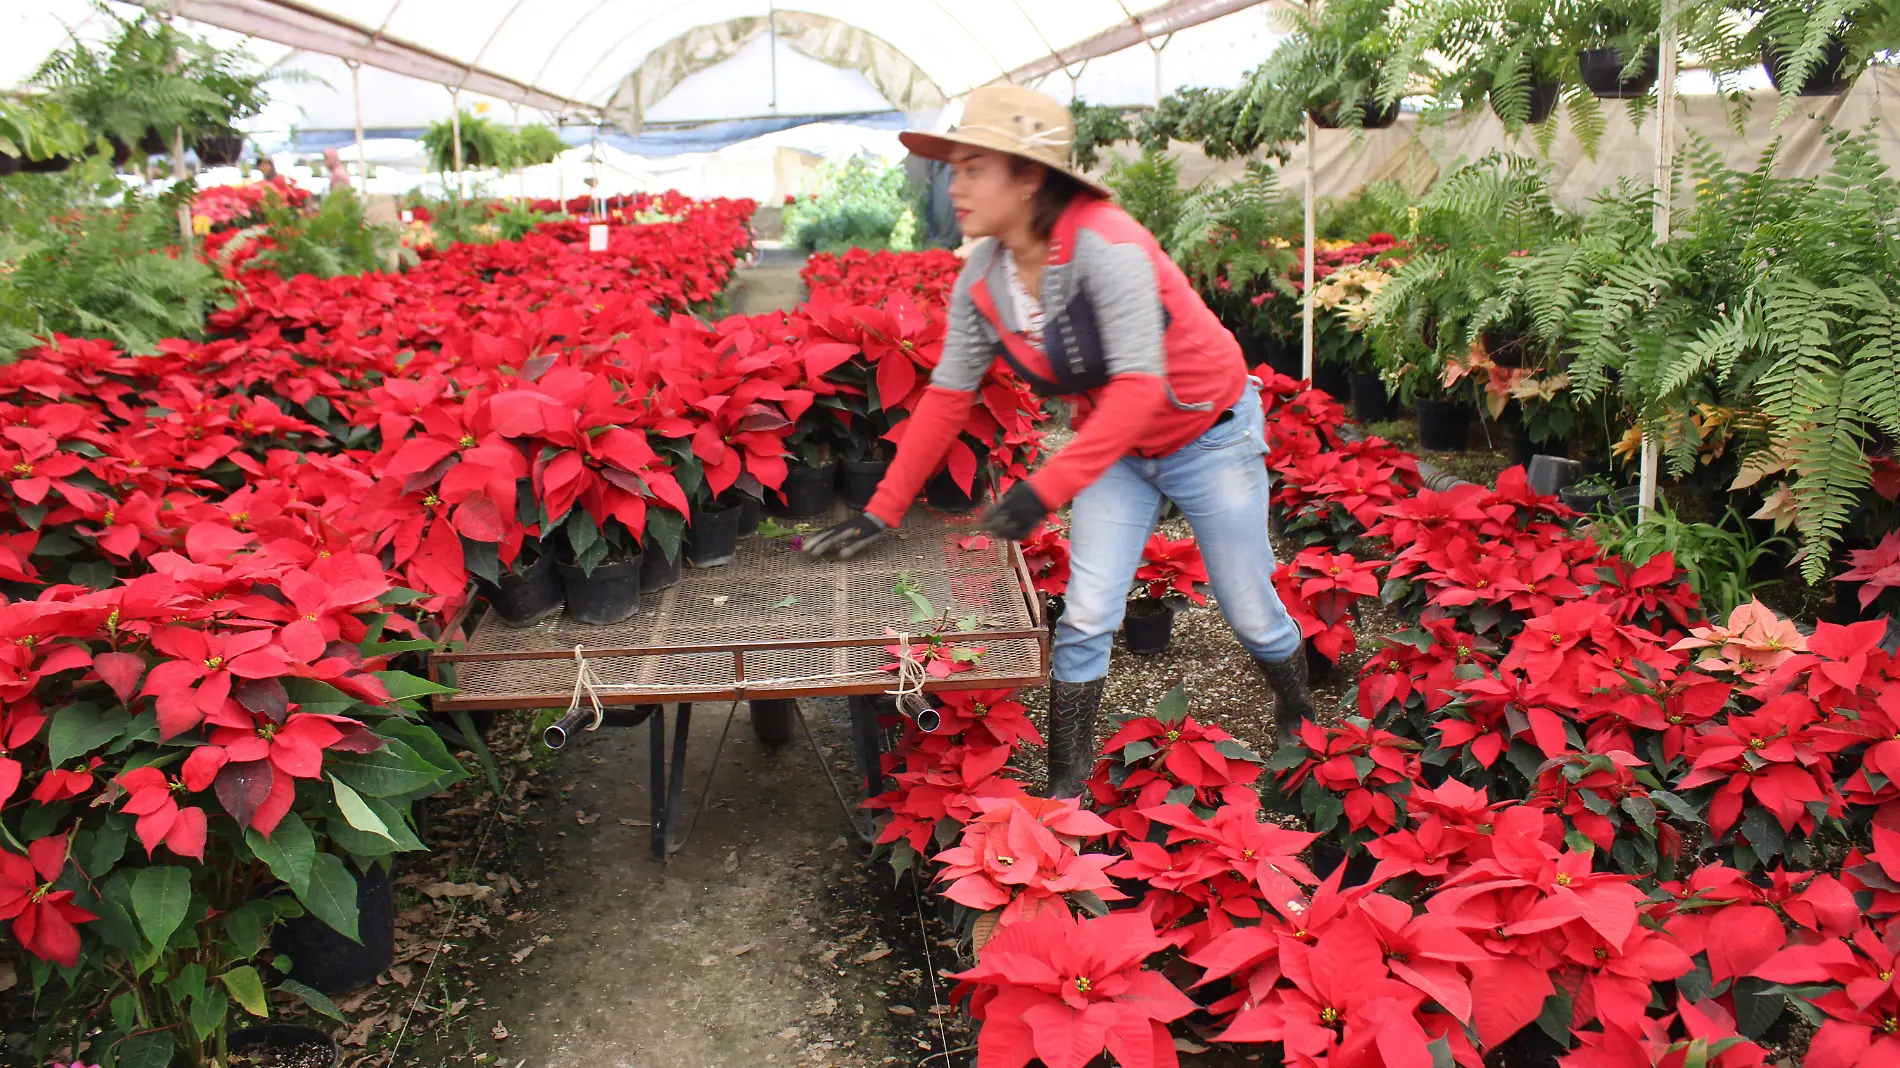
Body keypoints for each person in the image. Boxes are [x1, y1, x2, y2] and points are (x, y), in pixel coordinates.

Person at [802, 85, 1316, 797]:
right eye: (955, 169)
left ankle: (1298, 709)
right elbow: (949, 397)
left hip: (1209, 435)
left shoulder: (1110, 245)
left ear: (1029, 177)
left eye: (975, 167)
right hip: (1117, 453)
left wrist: (1045, 488)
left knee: (1246, 605)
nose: (957, 184)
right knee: (1088, 612)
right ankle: (1065, 791)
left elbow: (1139, 386)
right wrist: (881, 510)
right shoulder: (984, 278)